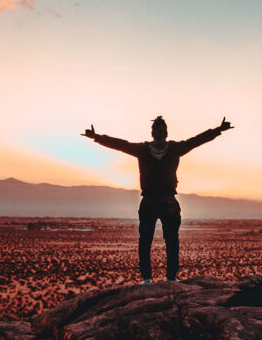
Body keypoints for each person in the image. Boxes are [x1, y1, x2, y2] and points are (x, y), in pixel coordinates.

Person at [83, 116, 233, 284]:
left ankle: (152, 278)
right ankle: (166, 278)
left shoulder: (147, 149)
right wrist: (218, 130)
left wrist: (97, 137)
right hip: (165, 202)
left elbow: (121, 144)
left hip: (152, 202)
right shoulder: (172, 148)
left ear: (152, 133)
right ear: (164, 132)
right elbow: (196, 141)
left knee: (151, 241)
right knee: (167, 241)